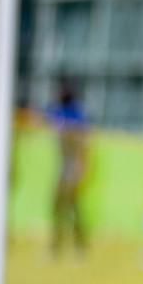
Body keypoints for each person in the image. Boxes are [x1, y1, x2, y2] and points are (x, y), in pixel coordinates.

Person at [47, 77, 88, 258]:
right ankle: (56, 246)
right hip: (62, 169)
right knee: (57, 208)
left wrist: (81, 168)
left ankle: (79, 245)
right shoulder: (58, 111)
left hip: (71, 169)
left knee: (72, 208)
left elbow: (83, 145)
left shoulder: (76, 113)